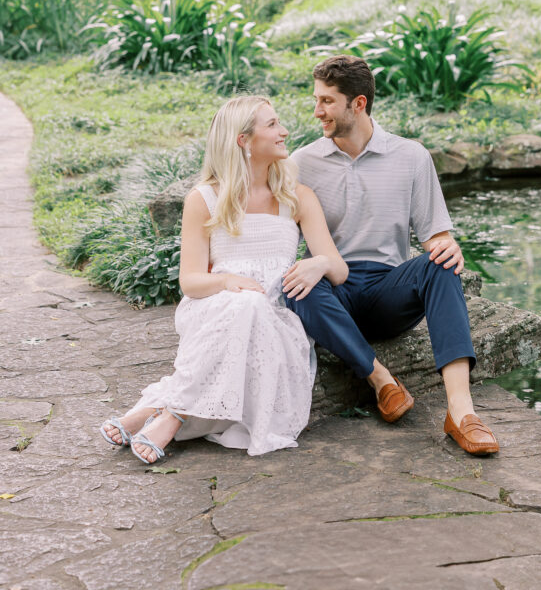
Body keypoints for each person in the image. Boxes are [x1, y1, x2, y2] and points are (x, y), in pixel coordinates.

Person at [100, 95, 348, 460]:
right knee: (245, 303)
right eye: (272, 125)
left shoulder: (297, 197)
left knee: (252, 306)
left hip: (275, 318)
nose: (284, 131)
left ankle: (165, 410)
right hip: (214, 310)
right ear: (243, 140)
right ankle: (174, 414)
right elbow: (191, 281)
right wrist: (226, 281)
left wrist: (319, 263)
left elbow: (339, 270)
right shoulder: (204, 199)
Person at [286, 55, 499, 455]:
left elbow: (436, 235)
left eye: (327, 101)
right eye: (317, 100)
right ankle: (382, 380)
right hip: (336, 290)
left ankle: (462, 412)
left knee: (440, 266)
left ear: (359, 104)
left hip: (389, 289)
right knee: (294, 284)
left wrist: (448, 248)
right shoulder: (302, 163)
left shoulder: (411, 156)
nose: (317, 112)